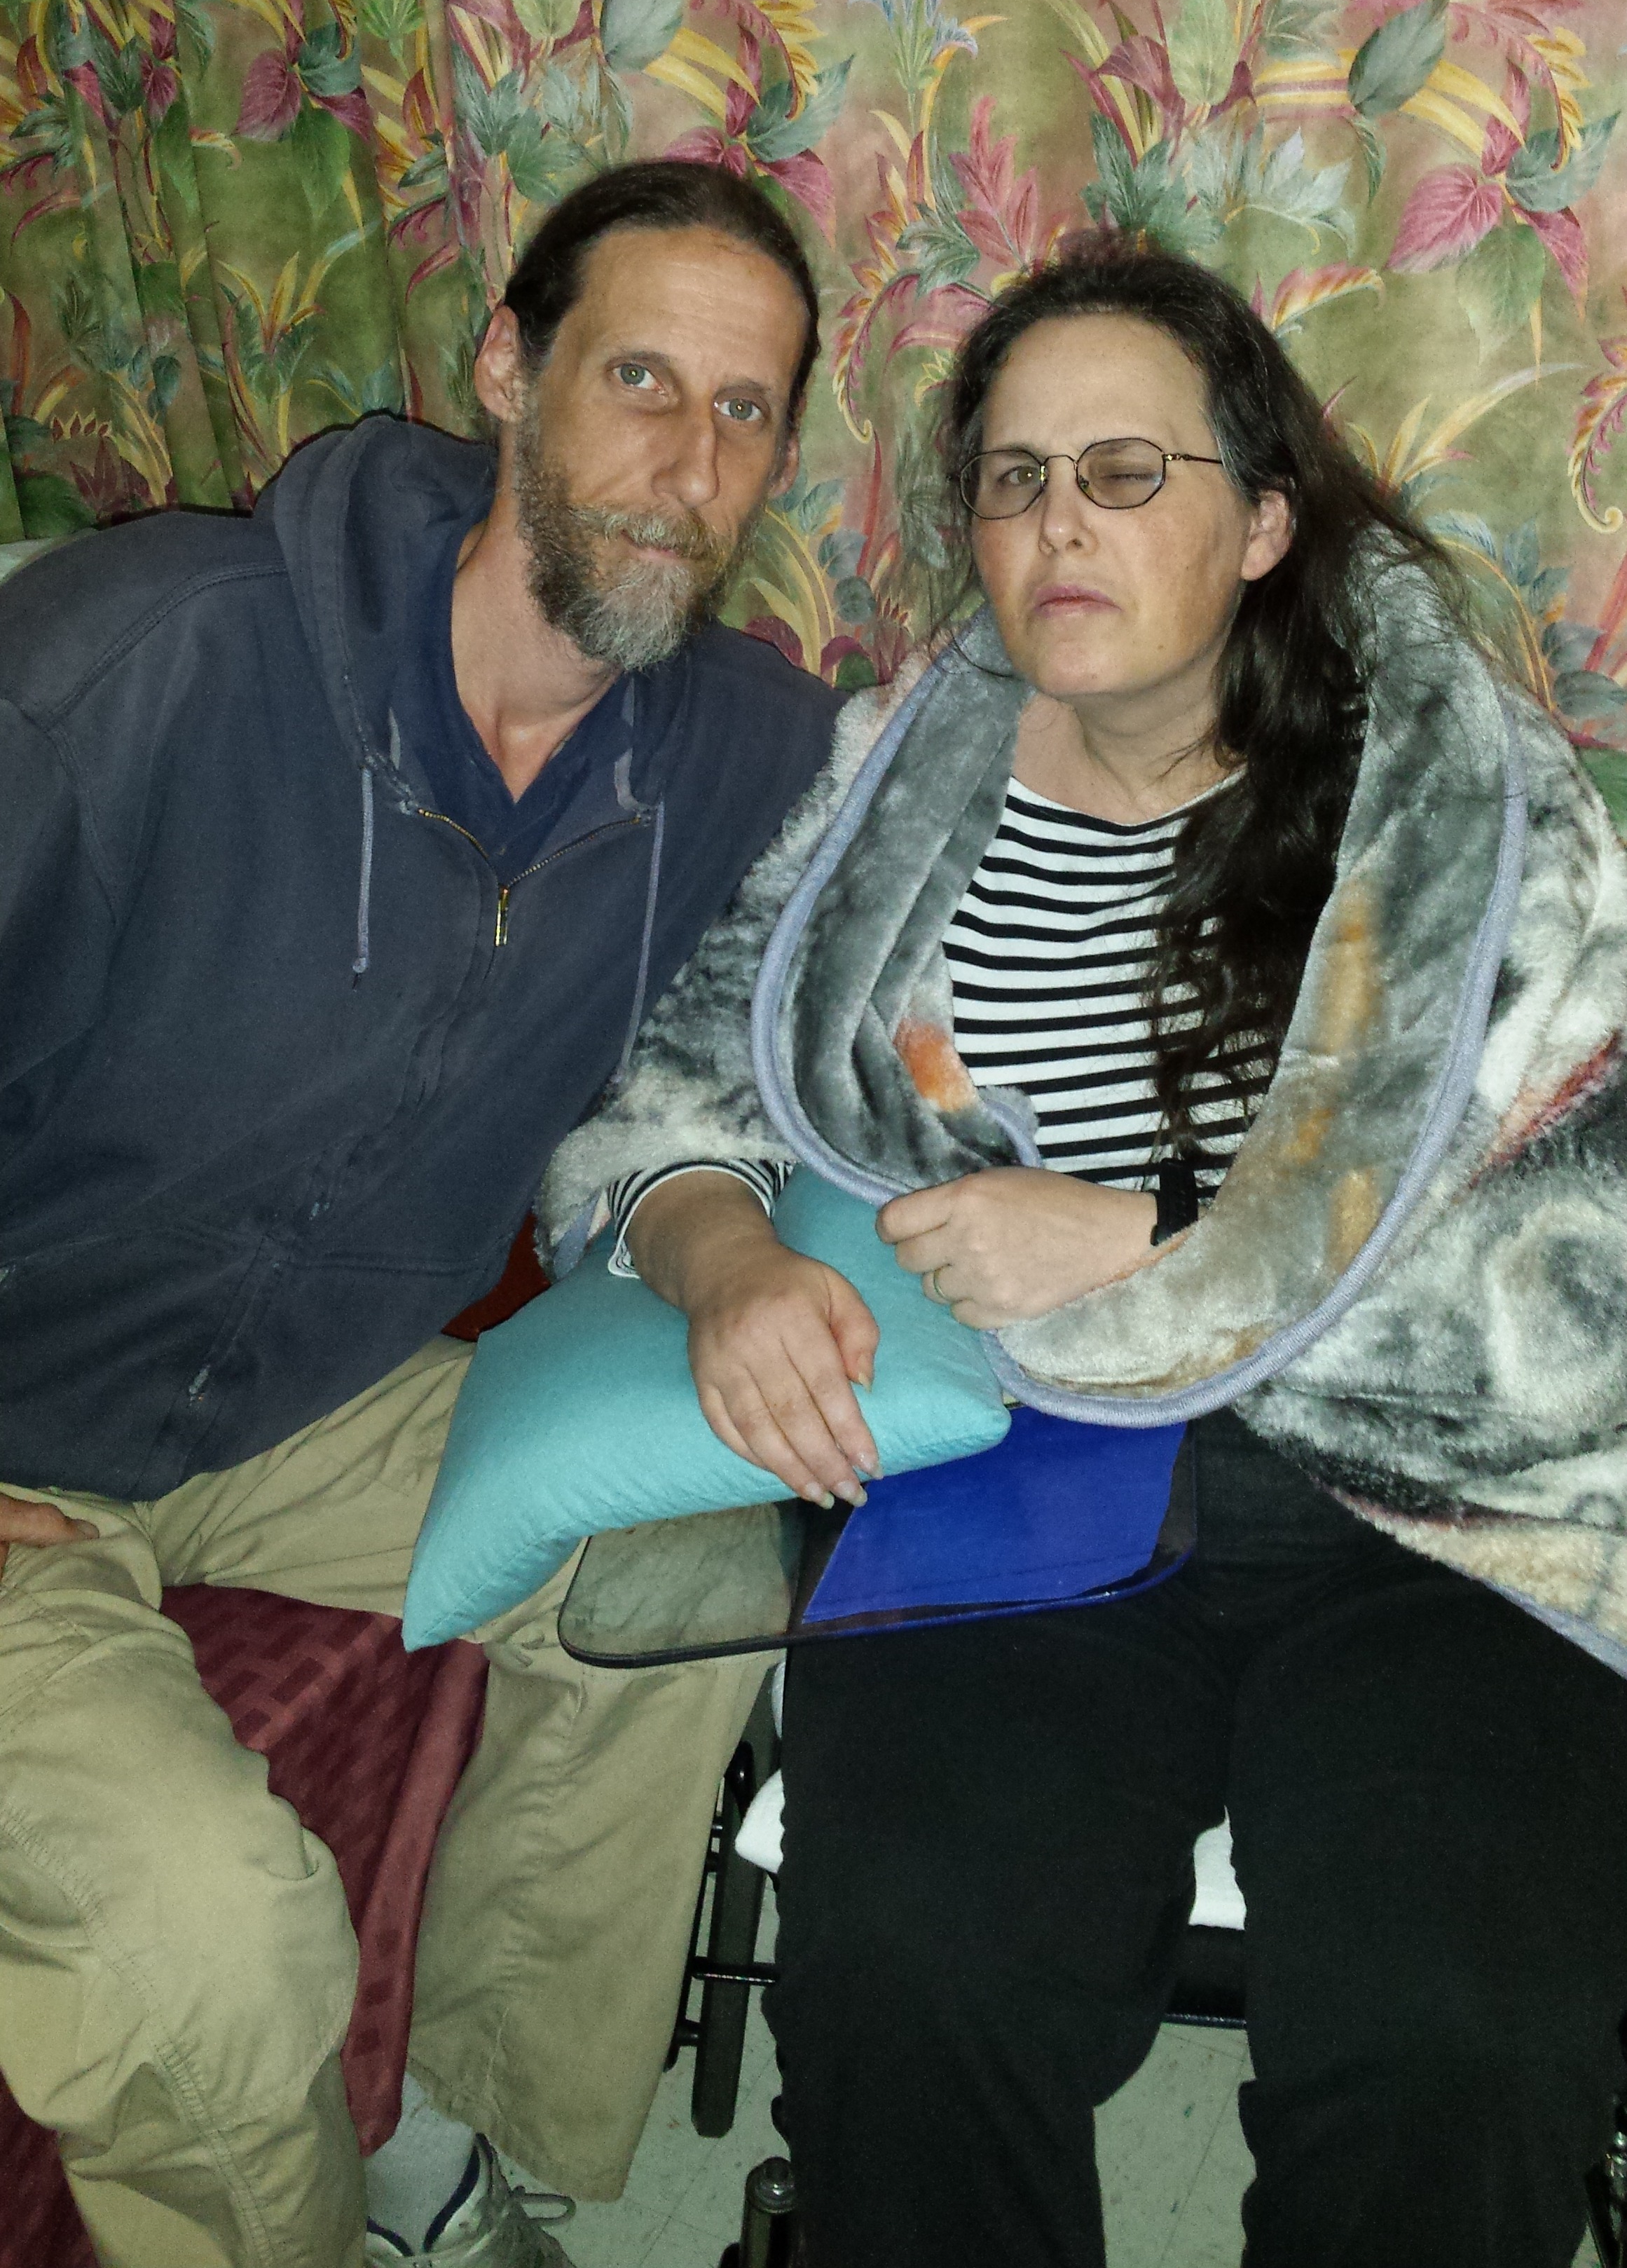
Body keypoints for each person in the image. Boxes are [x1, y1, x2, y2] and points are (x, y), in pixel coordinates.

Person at [542, 235, 1627, 2268]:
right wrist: (717, 1258)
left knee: (1455, 2046)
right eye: (1014, 478)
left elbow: (1582, 1237)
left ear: (1261, 522)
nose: (1059, 525)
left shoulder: (1464, 803)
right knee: (908, 1987)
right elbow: (673, 1095)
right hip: (1020, 1472)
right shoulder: (895, 785)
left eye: (1127, 474)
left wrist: (1153, 1234)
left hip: (1431, 1518)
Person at [0, 160, 842, 2268]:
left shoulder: (736, 749)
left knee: (675, 1556)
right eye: (638, 379)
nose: (686, 464)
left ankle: (450, 2151)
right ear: (506, 370)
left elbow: (899, 922)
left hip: (294, 1402)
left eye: (745, 412)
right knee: (216, 1942)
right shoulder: (150, 665)